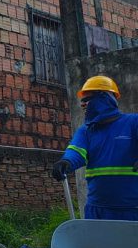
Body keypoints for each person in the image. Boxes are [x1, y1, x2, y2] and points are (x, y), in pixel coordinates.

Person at [52, 75, 138, 221]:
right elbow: (76, 152)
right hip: (97, 210)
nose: (83, 105)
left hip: (133, 209)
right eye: (82, 101)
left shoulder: (132, 122)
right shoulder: (86, 131)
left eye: (87, 99)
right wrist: (66, 162)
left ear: (105, 98)